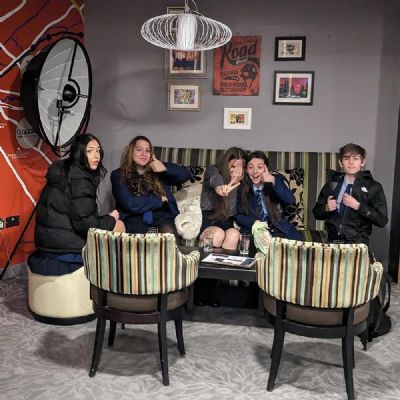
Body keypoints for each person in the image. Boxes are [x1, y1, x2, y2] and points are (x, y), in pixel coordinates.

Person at [29, 133, 124, 275]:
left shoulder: (67, 171)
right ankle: (111, 279)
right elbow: (87, 225)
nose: (96, 156)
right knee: (118, 225)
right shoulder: (79, 180)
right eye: (90, 151)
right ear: (80, 153)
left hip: (48, 241)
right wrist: (111, 218)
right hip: (63, 246)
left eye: (98, 151)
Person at [110, 135, 192, 241]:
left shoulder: (157, 168)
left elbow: (186, 175)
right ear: (131, 152)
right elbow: (130, 203)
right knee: (136, 241)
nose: (144, 154)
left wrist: (164, 167)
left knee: (169, 234)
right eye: (139, 150)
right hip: (134, 216)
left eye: (147, 151)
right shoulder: (118, 175)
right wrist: (159, 200)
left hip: (160, 215)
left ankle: (176, 252)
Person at [313, 143, 388, 246]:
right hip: (332, 242)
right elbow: (316, 213)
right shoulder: (332, 185)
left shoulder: (374, 187)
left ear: (362, 162)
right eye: (346, 158)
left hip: (358, 244)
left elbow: (382, 220)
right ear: (340, 163)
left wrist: (358, 206)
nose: (351, 162)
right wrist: (326, 208)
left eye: (356, 158)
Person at [235, 151, 302, 240]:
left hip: (279, 229)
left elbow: (290, 200)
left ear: (265, 168)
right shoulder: (240, 188)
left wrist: (272, 180)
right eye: (251, 167)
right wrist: (254, 222)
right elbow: (238, 215)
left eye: (259, 167)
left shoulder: (276, 180)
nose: (255, 171)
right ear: (246, 170)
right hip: (255, 231)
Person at [199, 147, 247, 250]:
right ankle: (208, 260)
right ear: (226, 164)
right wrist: (221, 188)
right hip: (210, 220)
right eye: (233, 166)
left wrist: (235, 182)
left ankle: (226, 261)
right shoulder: (213, 170)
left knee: (234, 235)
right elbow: (214, 180)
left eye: (241, 167)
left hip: (228, 221)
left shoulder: (243, 181)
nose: (237, 171)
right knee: (217, 234)